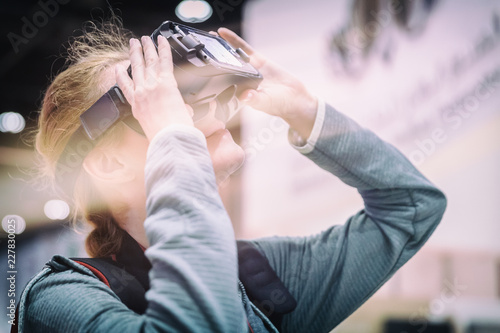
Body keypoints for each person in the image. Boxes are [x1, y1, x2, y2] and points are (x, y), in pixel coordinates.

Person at [17, 17, 446, 333]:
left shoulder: (260, 276)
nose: (204, 109)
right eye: (162, 98)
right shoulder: (61, 298)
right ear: (108, 164)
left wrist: (307, 113)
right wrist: (175, 138)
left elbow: (411, 208)